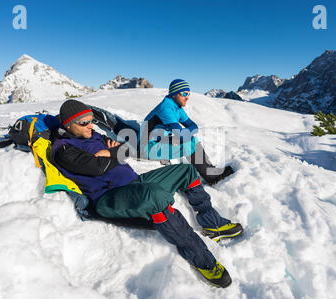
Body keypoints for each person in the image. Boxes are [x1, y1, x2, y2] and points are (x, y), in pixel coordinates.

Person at [50, 99, 243, 288]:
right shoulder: (64, 150)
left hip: (134, 184)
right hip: (108, 198)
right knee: (154, 195)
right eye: (84, 122)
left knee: (186, 170)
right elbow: (97, 168)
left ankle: (212, 224)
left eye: (91, 120)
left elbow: (125, 149)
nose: (90, 125)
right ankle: (203, 260)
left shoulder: (93, 135)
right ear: (68, 125)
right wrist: (112, 154)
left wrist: (110, 153)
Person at [140, 79, 235, 185]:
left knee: (192, 140)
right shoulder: (166, 108)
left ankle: (210, 170)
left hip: (159, 140)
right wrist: (180, 135)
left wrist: (181, 134)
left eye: (189, 94)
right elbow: (183, 134)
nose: (187, 97)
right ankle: (212, 177)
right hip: (146, 147)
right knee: (188, 143)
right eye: (184, 93)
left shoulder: (177, 108)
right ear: (174, 94)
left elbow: (194, 126)